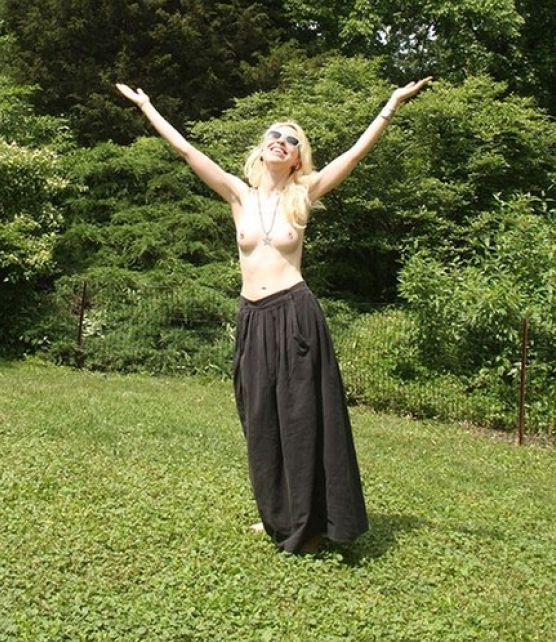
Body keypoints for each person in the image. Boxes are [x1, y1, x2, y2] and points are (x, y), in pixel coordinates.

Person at [115, 77, 432, 554]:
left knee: (303, 417)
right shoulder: (239, 196)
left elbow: (355, 154)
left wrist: (390, 104)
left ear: (299, 156)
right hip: (253, 318)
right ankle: (278, 515)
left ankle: (316, 521)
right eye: (274, 136)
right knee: (260, 418)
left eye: (291, 140)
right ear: (261, 149)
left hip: (295, 314)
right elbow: (185, 151)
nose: (281, 142)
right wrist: (147, 106)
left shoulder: (303, 195)